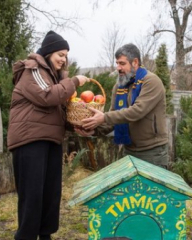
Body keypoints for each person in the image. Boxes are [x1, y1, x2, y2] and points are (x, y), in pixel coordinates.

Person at [7, 30, 89, 240]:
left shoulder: (52, 77)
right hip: (30, 141)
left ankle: (45, 236)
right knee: (32, 196)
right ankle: (25, 237)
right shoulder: (32, 69)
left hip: (50, 140)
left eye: (66, 55)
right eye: (60, 54)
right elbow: (47, 97)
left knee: (50, 195)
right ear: (49, 52)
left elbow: (54, 112)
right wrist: (75, 81)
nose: (63, 59)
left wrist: (74, 126)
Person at [76, 43, 169, 168]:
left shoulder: (151, 81)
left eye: (122, 63)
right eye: (117, 63)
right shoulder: (119, 85)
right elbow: (114, 118)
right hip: (128, 150)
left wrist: (104, 117)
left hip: (152, 151)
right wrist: (92, 129)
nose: (118, 68)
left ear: (135, 62)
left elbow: (137, 111)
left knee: (151, 188)